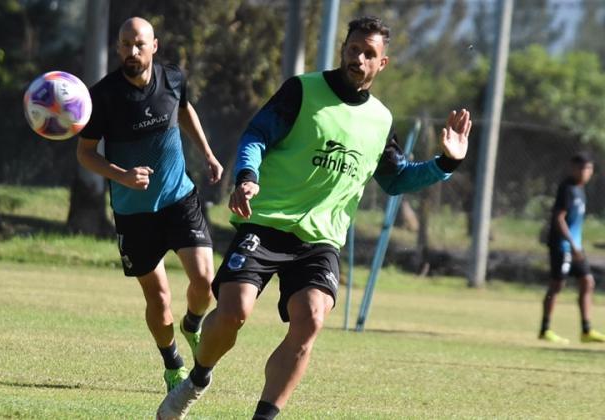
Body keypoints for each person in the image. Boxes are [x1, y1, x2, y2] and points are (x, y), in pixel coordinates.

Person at [157, 16, 472, 419]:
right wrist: (247, 177)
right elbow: (257, 134)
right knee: (234, 311)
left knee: (311, 322)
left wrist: (445, 161)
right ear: (343, 49)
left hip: (320, 241)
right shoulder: (303, 91)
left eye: (368, 53)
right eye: (353, 49)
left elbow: (395, 180)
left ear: (383, 64)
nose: (358, 58)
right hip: (267, 222)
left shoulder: (380, 120)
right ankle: (198, 379)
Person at [76, 17, 223, 392]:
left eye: (139, 44)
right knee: (158, 297)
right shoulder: (103, 96)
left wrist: (207, 153)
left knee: (205, 281)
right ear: (118, 47)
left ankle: (192, 323)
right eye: (125, 45)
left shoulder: (173, 78)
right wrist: (121, 175)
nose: (132, 52)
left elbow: (185, 109)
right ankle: (172, 362)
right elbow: (86, 154)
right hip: (133, 212)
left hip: (179, 198)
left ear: (154, 46)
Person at [538, 153, 605, 344]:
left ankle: (586, 330)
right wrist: (572, 244)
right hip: (562, 246)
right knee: (557, 284)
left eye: (590, 169)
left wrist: (577, 246)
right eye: (583, 168)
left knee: (587, 282)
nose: (587, 172)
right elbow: (559, 218)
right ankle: (545, 328)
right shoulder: (566, 188)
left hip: (575, 247)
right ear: (573, 168)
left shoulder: (580, 190)